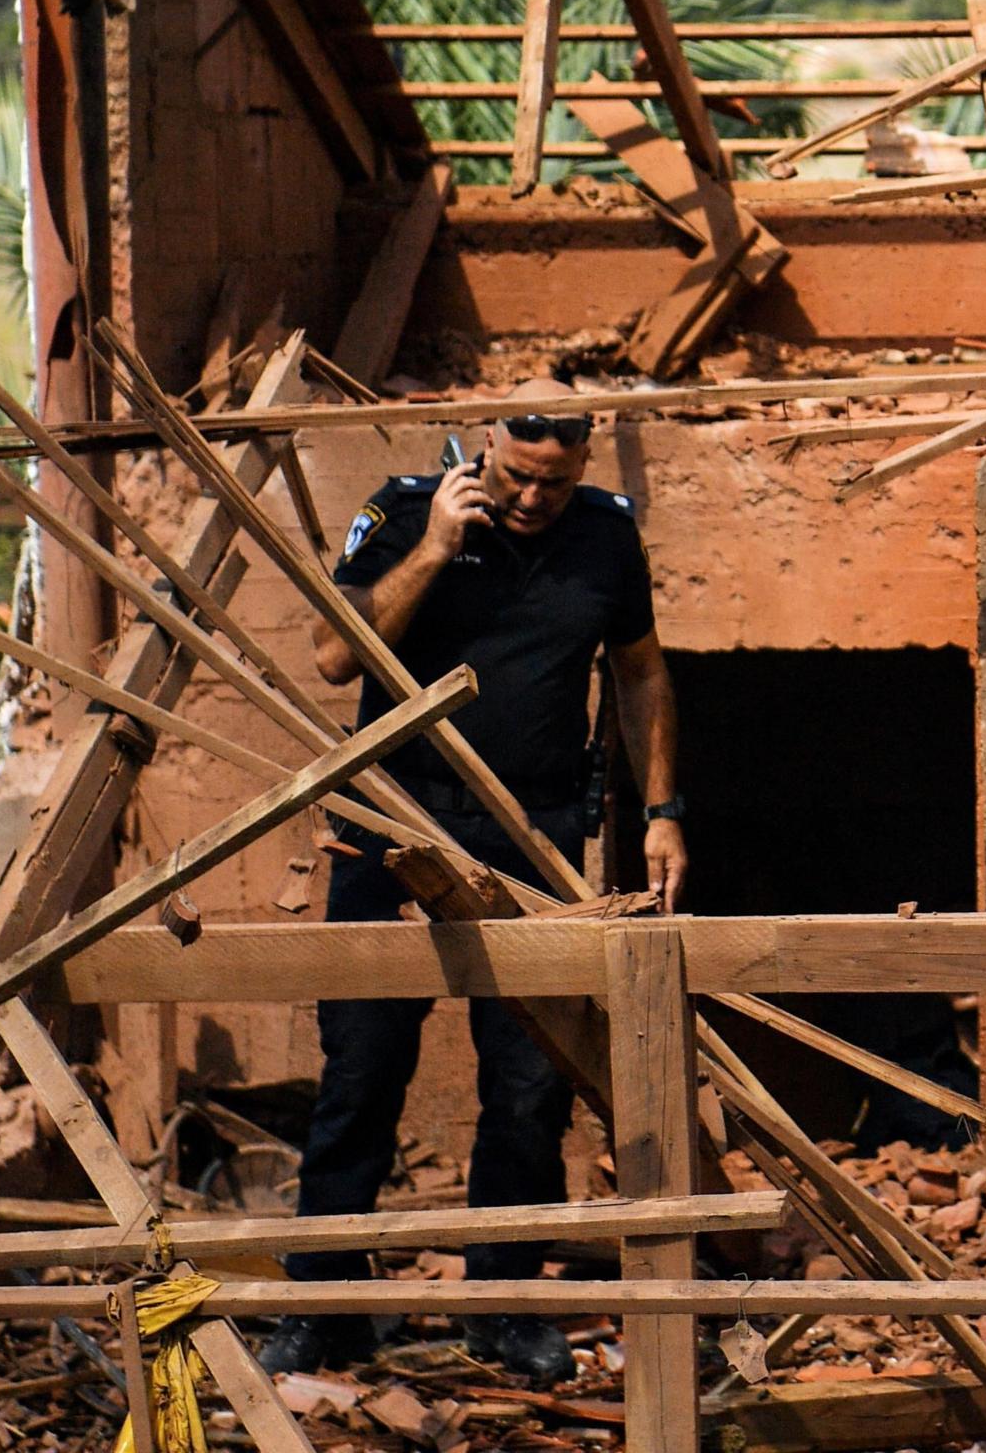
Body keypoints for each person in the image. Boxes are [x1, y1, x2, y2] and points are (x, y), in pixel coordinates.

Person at [259, 381, 687, 1384]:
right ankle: (325, 1310)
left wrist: (664, 815)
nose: (533, 498)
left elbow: (640, 676)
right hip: (389, 829)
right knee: (360, 1073)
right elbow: (332, 654)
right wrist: (437, 549)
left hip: (530, 838)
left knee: (530, 1083)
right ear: (482, 444)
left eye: (555, 480)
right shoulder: (408, 512)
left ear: (581, 465)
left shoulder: (605, 537)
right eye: (516, 474)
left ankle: (502, 1306)